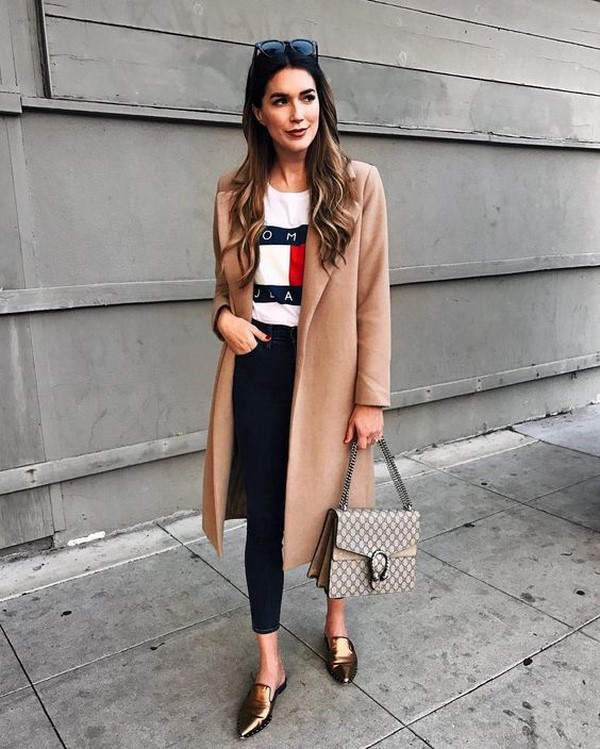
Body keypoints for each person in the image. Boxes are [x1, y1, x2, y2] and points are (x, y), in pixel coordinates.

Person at [202, 38, 391, 739]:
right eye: (280, 100)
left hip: (334, 375)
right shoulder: (234, 192)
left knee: (338, 508)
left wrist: (370, 396)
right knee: (265, 520)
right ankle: (269, 662)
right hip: (259, 367)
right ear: (258, 111)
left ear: (321, 102)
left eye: (306, 96)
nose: (296, 112)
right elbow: (222, 292)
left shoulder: (359, 185)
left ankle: (336, 623)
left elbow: (372, 297)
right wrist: (224, 321)